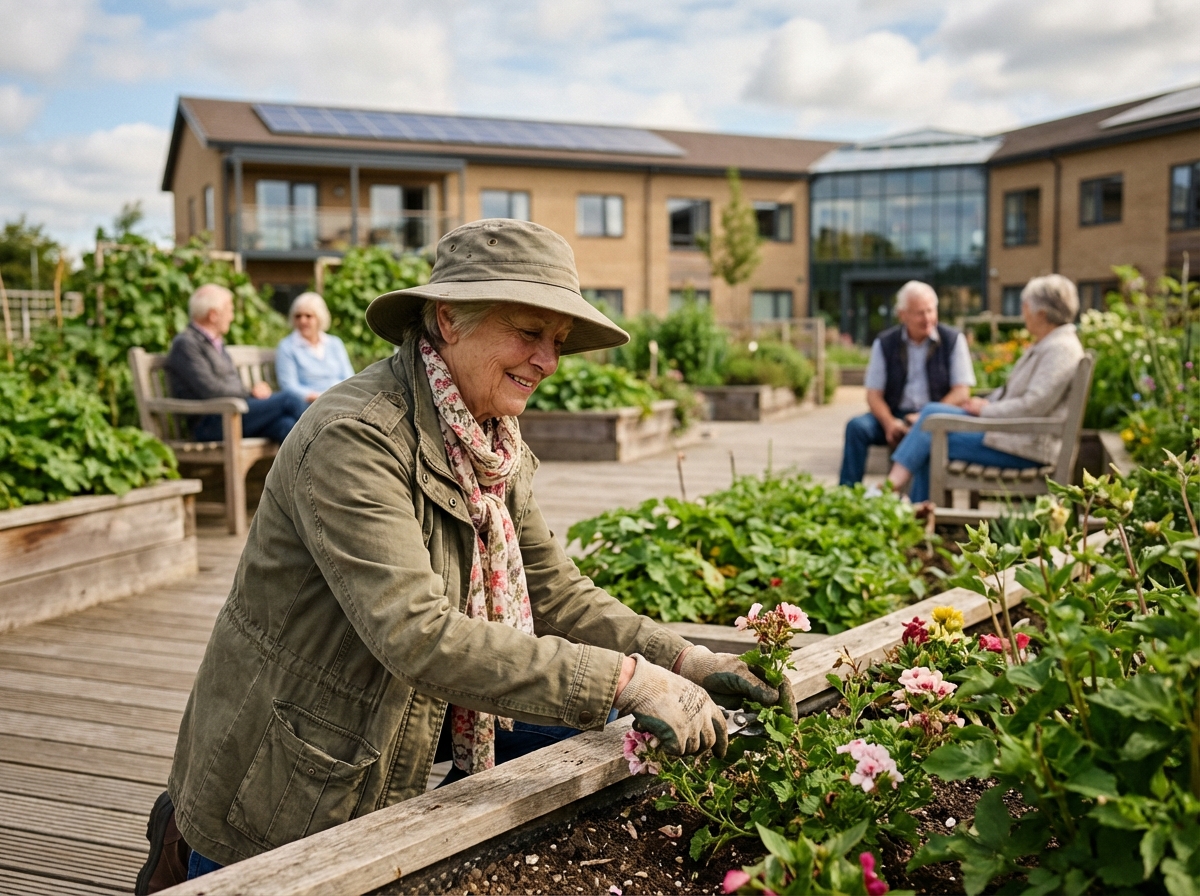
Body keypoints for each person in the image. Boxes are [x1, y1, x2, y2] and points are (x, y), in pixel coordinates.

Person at [135, 220, 795, 892]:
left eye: (558, 343)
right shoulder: (355, 440)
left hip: (418, 728)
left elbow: (555, 592)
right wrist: (628, 680)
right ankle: (184, 838)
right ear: (448, 320)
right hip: (295, 769)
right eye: (529, 333)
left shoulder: (488, 440)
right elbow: (418, 635)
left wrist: (683, 659)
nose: (548, 361)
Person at [885, 274, 1085, 503]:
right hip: (1014, 437)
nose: (1023, 313)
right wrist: (984, 402)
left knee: (931, 437)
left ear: (1042, 314)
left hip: (1027, 448)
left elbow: (1033, 405)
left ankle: (895, 494)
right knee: (932, 412)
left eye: (1025, 306)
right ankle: (898, 494)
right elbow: (1011, 391)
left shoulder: (1060, 350)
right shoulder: (1048, 344)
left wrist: (985, 411)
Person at [839, 281, 975, 487]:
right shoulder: (884, 343)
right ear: (903, 315)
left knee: (928, 436)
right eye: (920, 313)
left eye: (930, 310)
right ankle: (845, 496)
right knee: (856, 427)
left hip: (935, 418)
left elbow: (961, 392)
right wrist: (889, 423)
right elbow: (873, 394)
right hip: (895, 415)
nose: (927, 318)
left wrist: (923, 418)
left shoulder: (954, 340)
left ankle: (910, 499)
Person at [165, 284, 308, 444]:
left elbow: (229, 384)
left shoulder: (214, 343)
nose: (231, 317)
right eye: (229, 310)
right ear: (213, 315)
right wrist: (249, 393)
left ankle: (314, 468)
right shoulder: (186, 344)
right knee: (290, 399)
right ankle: (328, 447)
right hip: (211, 422)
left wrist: (252, 392)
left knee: (285, 425)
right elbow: (210, 389)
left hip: (232, 413)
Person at [274, 291, 355, 403]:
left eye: (308, 316)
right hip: (309, 403)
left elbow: (349, 377)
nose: (302, 320)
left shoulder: (335, 343)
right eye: (298, 316)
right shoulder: (287, 346)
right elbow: (289, 386)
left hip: (338, 398)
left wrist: (340, 394)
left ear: (319, 318)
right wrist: (314, 396)